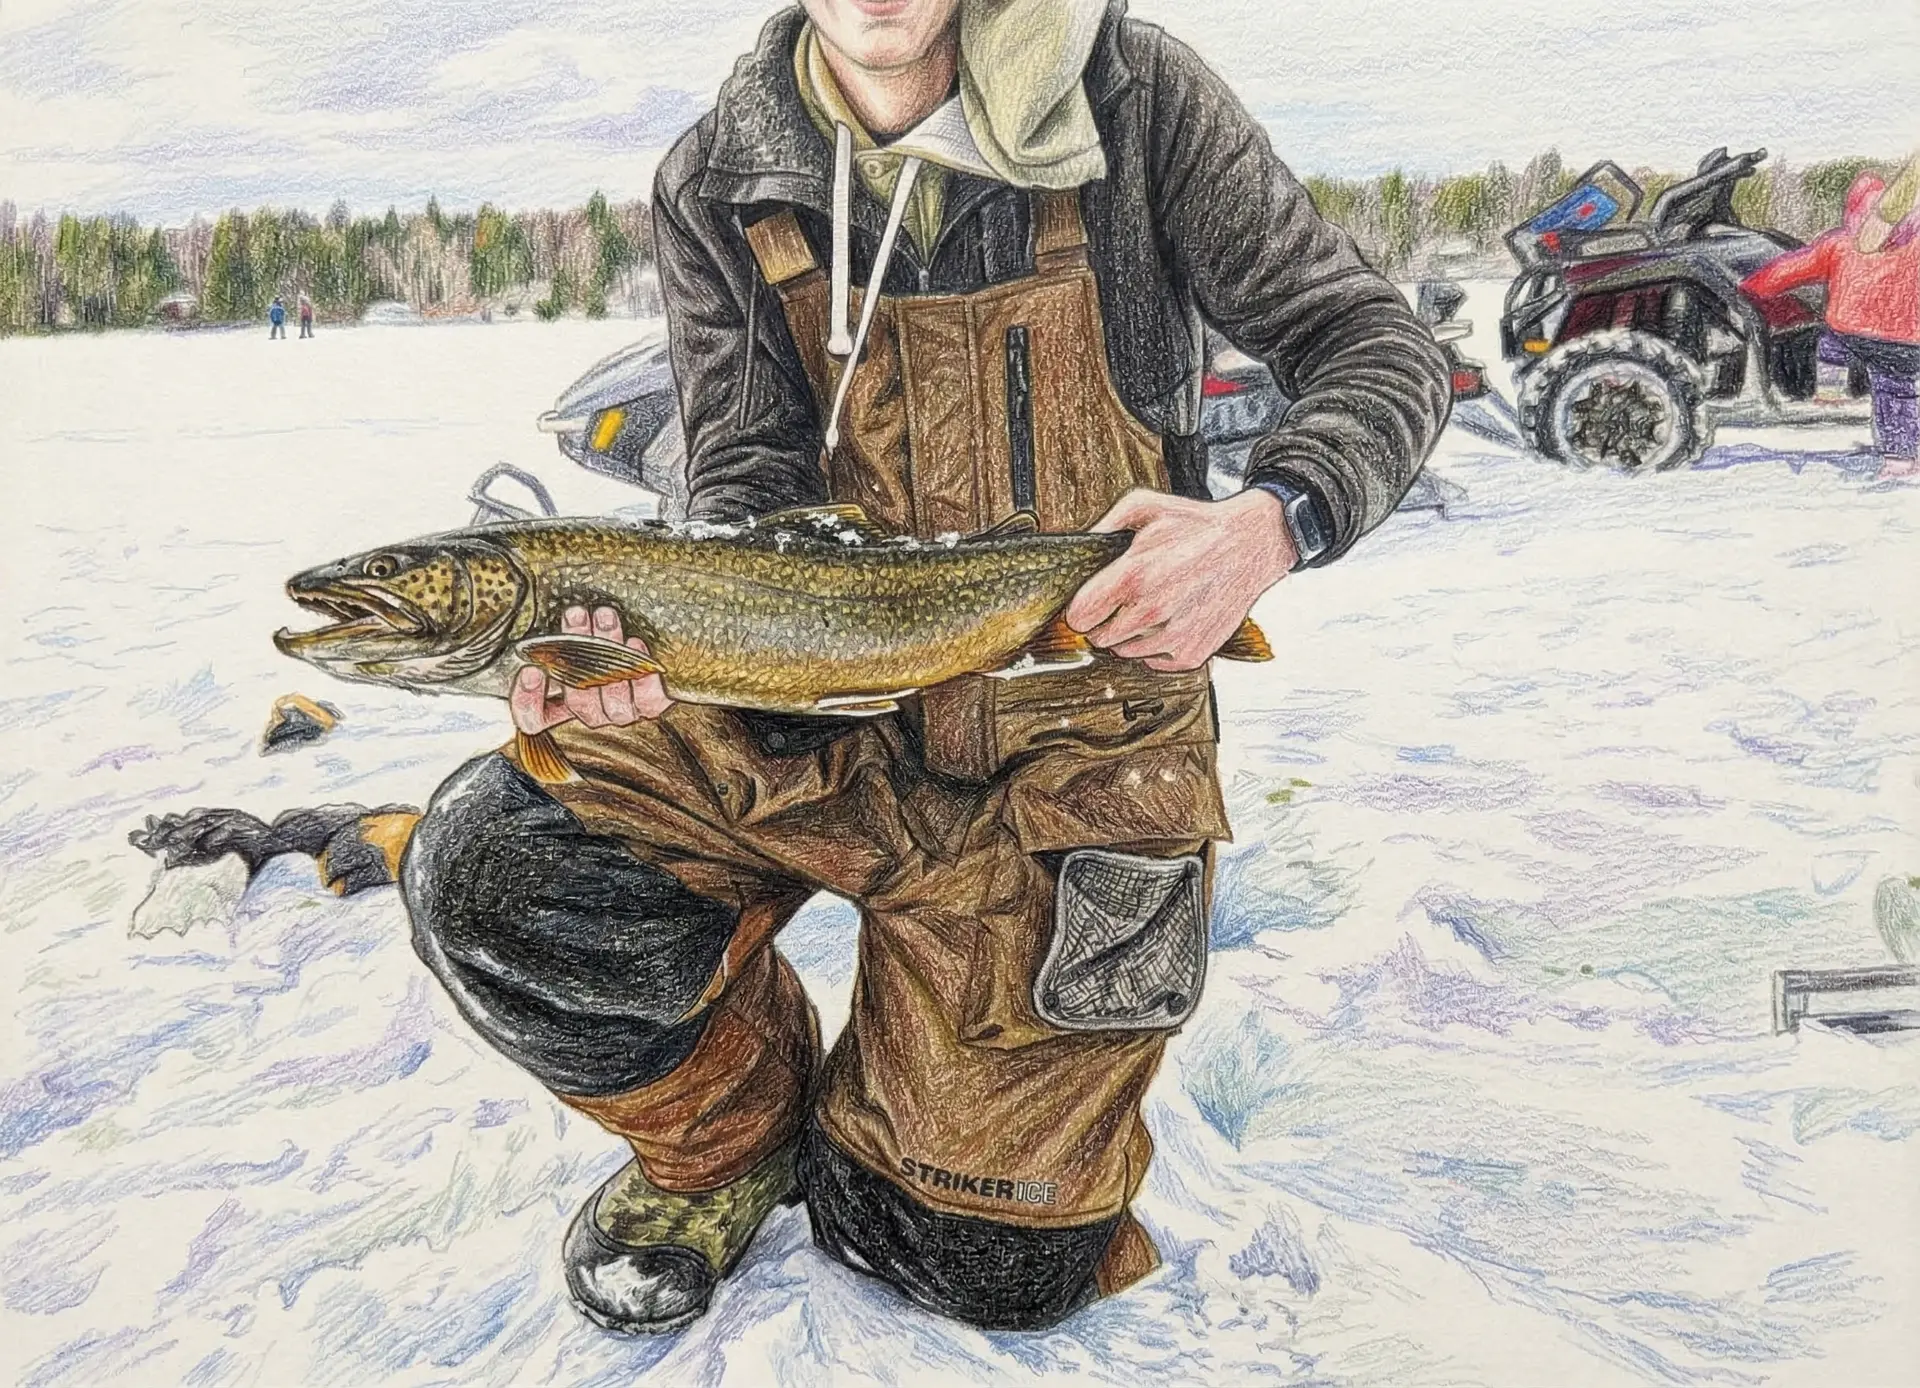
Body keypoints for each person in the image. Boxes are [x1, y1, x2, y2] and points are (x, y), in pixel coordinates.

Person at [399, 0, 1448, 1337]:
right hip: (809, 717)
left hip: (1076, 744)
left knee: (972, 1261)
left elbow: (1378, 342)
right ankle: (734, 1143)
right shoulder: (722, 172)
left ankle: (910, 1120)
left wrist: (1269, 524)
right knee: (499, 867)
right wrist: (648, 649)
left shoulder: (1135, 99)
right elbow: (744, 480)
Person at [1744, 166, 1920, 477]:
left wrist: (1751, 287)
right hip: (1908, 337)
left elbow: (1791, 269)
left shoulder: (1838, 243)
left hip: (1851, 331)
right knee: (1896, 389)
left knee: (1829, 340)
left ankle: (1831, 390)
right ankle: (1902, 455)